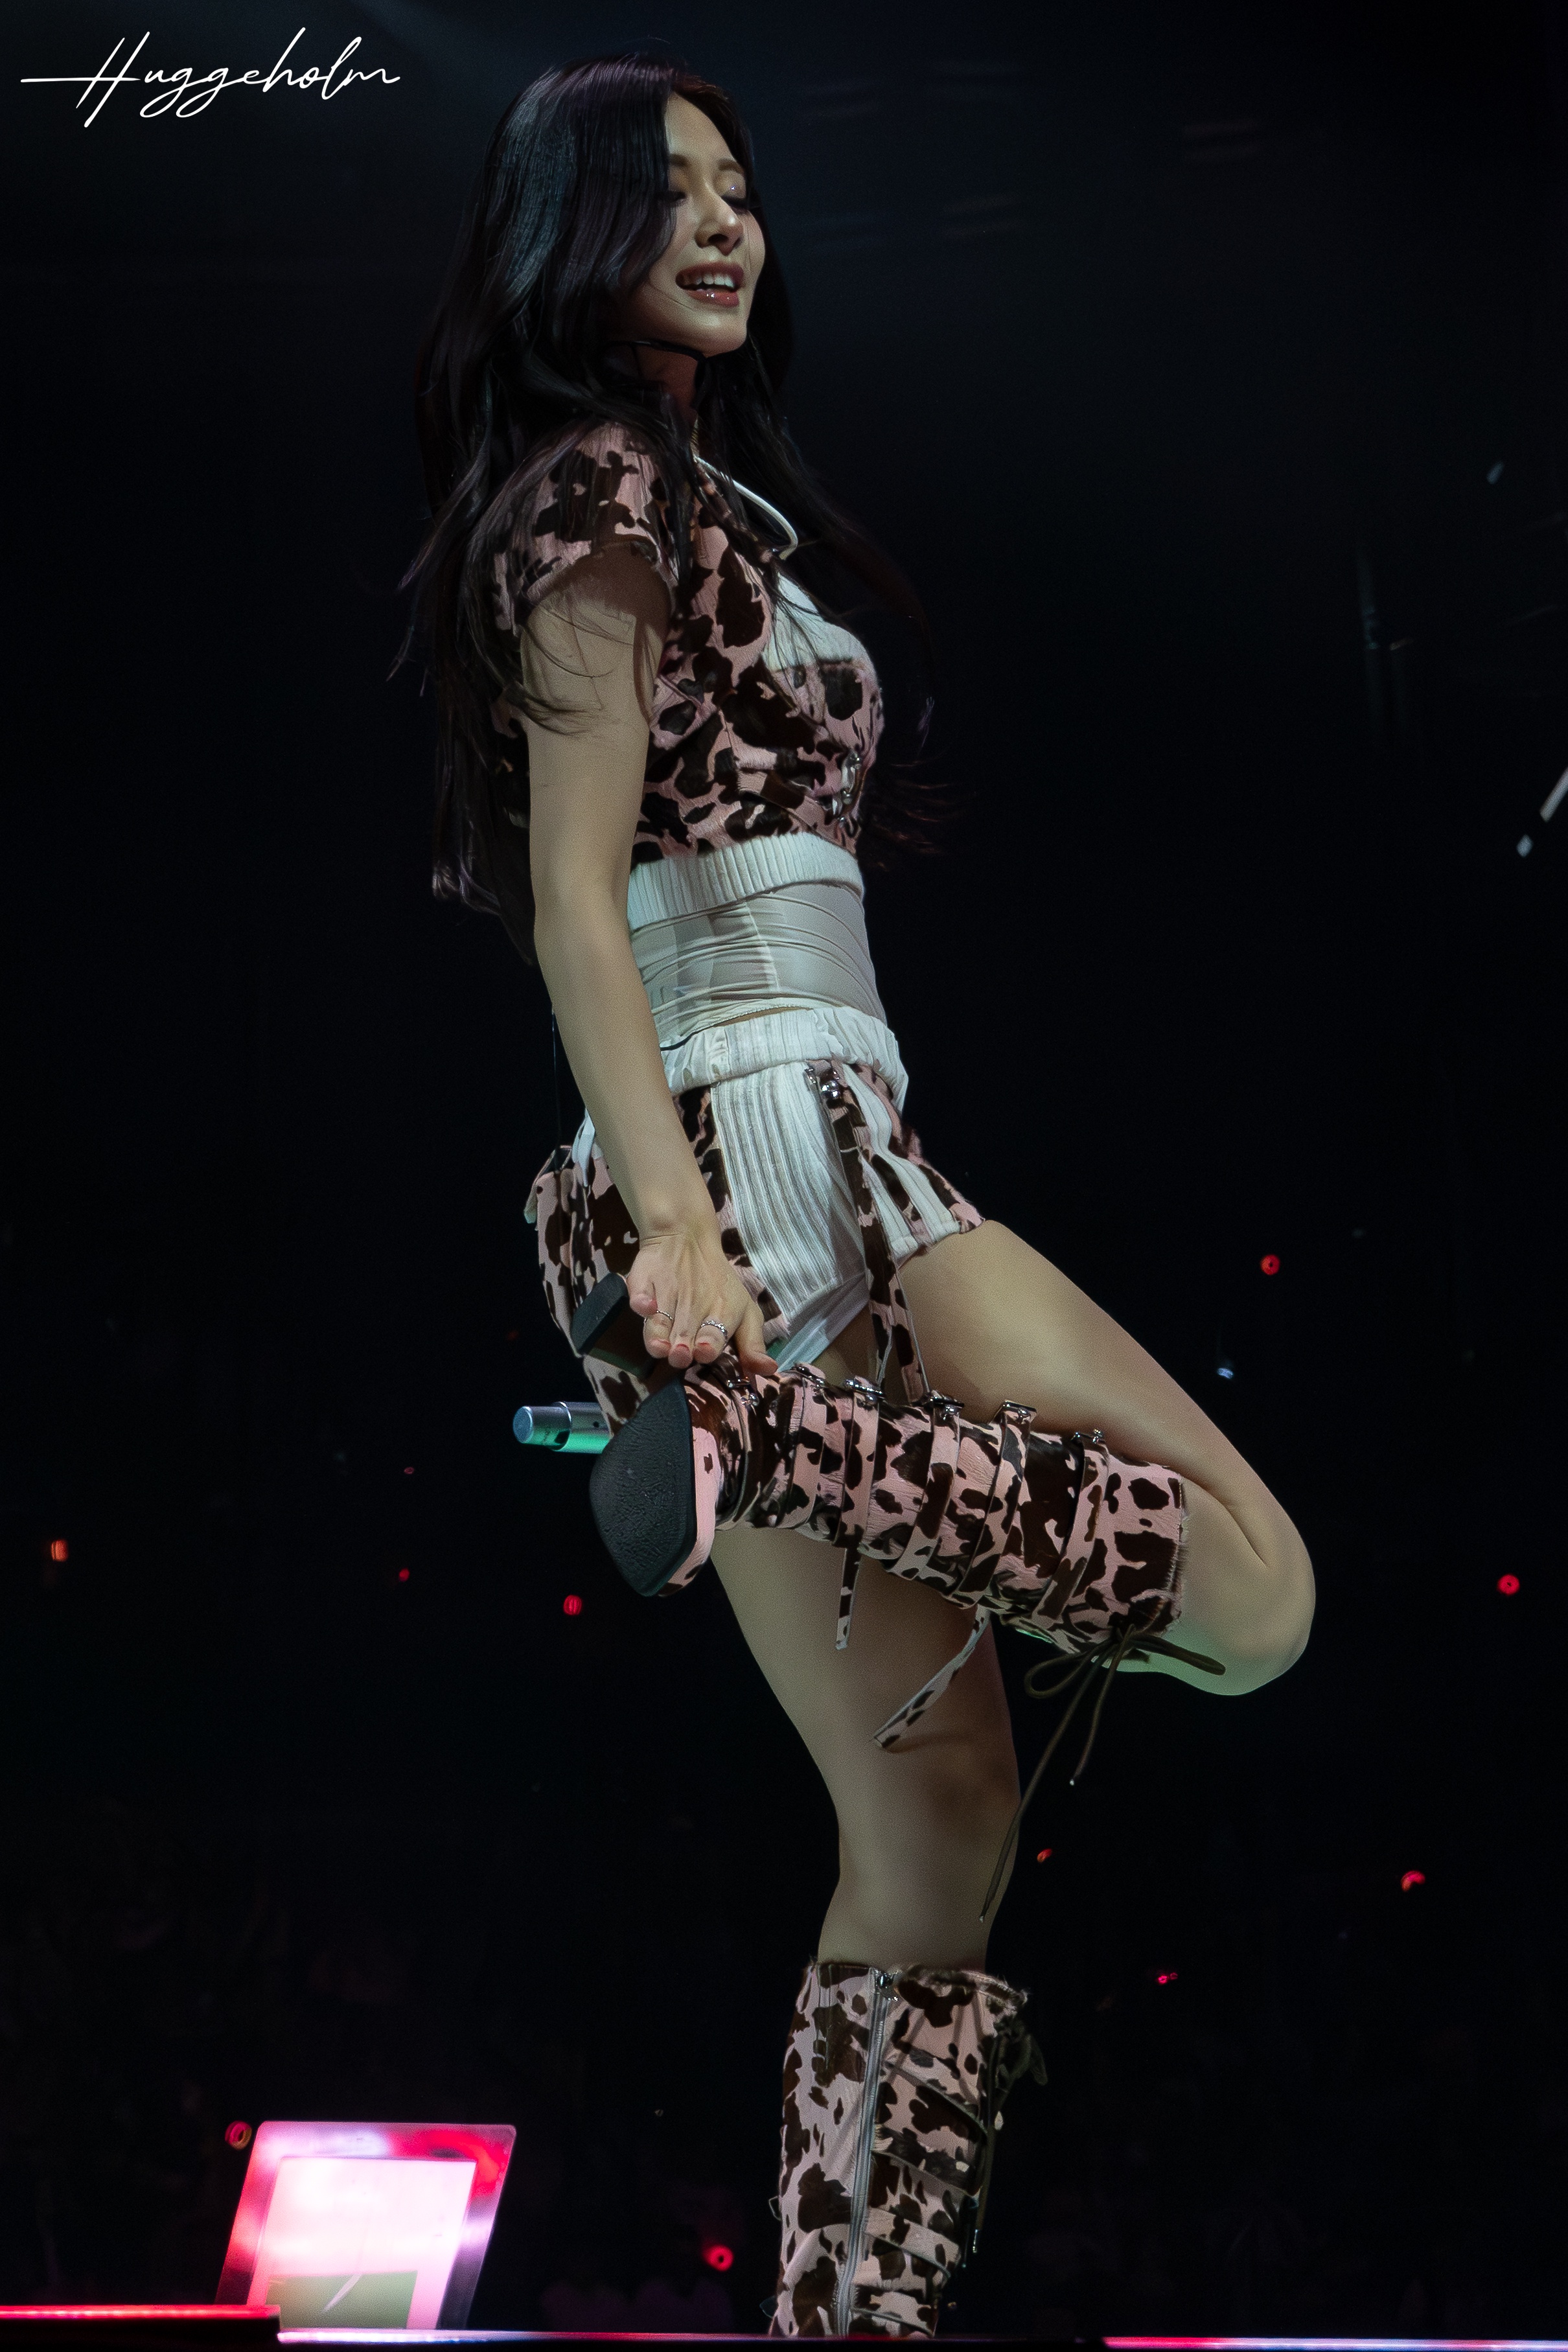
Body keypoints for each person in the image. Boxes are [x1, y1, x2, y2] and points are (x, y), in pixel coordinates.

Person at [404, 51, 1315, 2341]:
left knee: (937, 1828)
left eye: (740, 189)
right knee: (1246, 1596)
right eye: (671, 193)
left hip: (824, 1128)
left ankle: (851, 2323)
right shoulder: (595, 492)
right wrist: (675, 1228)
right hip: (752, 1157)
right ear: (573, 227)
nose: (727, 224)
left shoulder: (695, 489)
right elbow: (576, 905)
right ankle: (766, 1422)